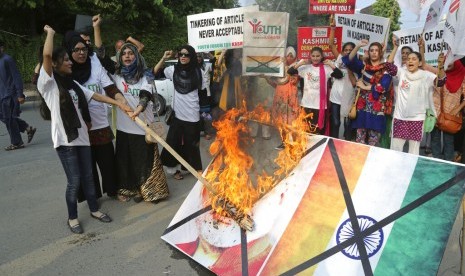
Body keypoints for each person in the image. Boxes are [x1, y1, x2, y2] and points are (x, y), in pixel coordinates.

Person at [37, 25, 131, 234]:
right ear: (55, 64)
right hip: (66, 142)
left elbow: (96, 96)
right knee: (75, 181)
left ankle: (94, 210)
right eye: (67, 59)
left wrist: (120, 104)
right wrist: (51, 34)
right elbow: (46, 55)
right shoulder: (49, 84)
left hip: (83, 139)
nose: (72, 61)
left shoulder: (73, 85)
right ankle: (72, 218)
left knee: (88, 177)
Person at [62, 23, 127, 201]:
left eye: (84, 49)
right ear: (69, 51)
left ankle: (114, 191)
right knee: (86, 166)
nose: (81, 53)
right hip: (80, 127)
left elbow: (109, 86)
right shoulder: (65, 70)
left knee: (108, 162)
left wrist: (120, 100)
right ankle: (93, 197)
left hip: (100, 123)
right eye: (76, 50)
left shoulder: (94, 62)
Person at [112, 43, 169, 203]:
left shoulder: (146, 75)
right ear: (120, 57)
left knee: (146, 161)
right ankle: (131, 189)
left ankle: (151, 191)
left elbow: (145, 94)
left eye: (131, 53)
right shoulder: (116, 77)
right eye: (124, 54)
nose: (128, 56)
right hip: (124, 127)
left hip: (143, 126)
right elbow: (100, 60)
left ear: (137, 56)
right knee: (127, 160)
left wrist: (139, 108)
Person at [388, 36, 446, 155]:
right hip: (400, 118)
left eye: (414, 59)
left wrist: (441, 66)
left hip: (417, 119)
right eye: (408, 59)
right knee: (395, 150)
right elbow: (388, 66)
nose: (410, 61)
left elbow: (440, 82)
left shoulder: (426, 76)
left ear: (419, 63)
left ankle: (410, 171)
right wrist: (395, 48)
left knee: (413, 152)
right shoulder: (402, 72)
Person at [156, 46, 204, 180]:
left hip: (192, 113)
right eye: (181, 54)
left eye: (186, 55)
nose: (183, 57)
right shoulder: (172, 70)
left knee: (192, 144)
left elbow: (202, 91)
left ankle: (196, 168)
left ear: (192, 57)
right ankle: (173, 170)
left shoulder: (198, 72)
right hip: (177, 115)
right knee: (173, 143)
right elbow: (154, 71)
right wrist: (164, 58)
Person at [342, 39, 397, 146]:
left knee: (373, 143)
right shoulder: (363, 66)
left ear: (381, 52)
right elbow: (348, 60)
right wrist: (358, 46)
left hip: (376, 109)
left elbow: (383, 87)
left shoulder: (386, 69)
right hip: (362, 107)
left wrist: (364, 86)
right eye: (371, 50)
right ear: (369, 52)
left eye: (377, 50)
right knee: (359, 141)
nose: (374, 52)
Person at [291, 47, 343, 135]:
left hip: (320, 106)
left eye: (318, 56)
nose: (315, 58)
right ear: (310, 56)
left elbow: (340, 75)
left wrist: (331, 65)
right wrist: (300, 64)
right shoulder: (305, 68)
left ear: (321, 56)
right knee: (305, 130)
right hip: (306, 104)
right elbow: (290, 72)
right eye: (313, 56)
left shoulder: (326, 68)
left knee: (318, 130)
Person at [0, 39, 36, 150]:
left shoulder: (7, 59)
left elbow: (16, 77)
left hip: (10, 95)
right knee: (6, 118)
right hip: (1, 96)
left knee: (9, 119)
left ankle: (17, 143)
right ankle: (27, 128)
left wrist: (20, 94)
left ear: (2, 47)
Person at [263, 46, 299, 150]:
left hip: (290, 100)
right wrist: (266, 77)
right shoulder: (279, 68)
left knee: (290, 121)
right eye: (287, 55)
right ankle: (284, 142)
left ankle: (292, 143)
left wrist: (285, 66)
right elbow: (277, 84)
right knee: (281, 121)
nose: (288, 57)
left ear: (295, 56)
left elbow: (291, 81)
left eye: (291, 55)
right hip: (280, 98)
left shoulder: (295, 68)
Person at [328, 15, 357, 140]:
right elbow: (330, 44)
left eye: (351, 50)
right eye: (346, 49)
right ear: (343, 51)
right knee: (335, 122)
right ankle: (333, 142)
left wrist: (350, 68)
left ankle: (347, 143)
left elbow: (355, 83)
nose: (348, 51)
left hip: (348, 98)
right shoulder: (339, 58)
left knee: (347, 124)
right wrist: (333, 28)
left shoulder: (357, 65)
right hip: (335, 97)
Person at [197, 52, 213, 140]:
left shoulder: (207, 66)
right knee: (197, 113)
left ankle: (208, 132)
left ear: (202, 57)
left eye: (200, 56)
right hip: (195, 93)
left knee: (207, 114)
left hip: (205, 94)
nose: (198, 58)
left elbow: (214, 61)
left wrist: (208, 53)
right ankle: (198, 131)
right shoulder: (192, 68)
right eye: (196, 57)